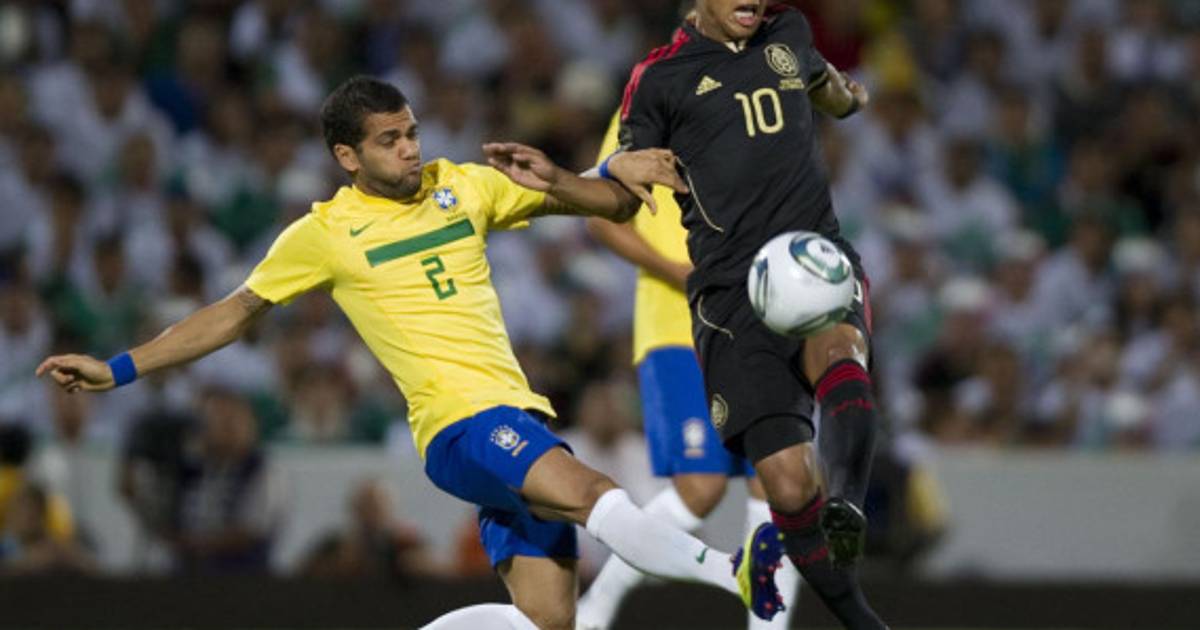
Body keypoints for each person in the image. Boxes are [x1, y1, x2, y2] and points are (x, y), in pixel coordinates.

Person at [37, 76, 785, 630]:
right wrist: (119, 368)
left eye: (412, 132)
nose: (410, 149)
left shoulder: (464, 187)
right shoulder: (324, 234)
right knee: (592, 492)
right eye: (389, 140)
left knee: (549, 621)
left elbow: (596, 204)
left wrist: (610, 174)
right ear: (347, 156)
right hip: (459, 424)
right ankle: (736, 572)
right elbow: (230, 314)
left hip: (516, 414)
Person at [603, 1, 888, 627]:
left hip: (809, 254)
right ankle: (860, 618)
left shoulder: (787, 30)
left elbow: (824, 84)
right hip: (730, 298)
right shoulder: (658, 79)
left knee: (841, 352)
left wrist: (848, 99)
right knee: (784, 483)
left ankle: (846, 502)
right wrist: (601, 170)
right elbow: (619, 199)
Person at [577, 110, 801, 630]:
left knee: (779, 482)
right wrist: (681, 272)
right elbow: (600, 220)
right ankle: (596, 608)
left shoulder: (758, 105)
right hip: (677, 327)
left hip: (758, 325)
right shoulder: (643, 107)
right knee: (701, 487)